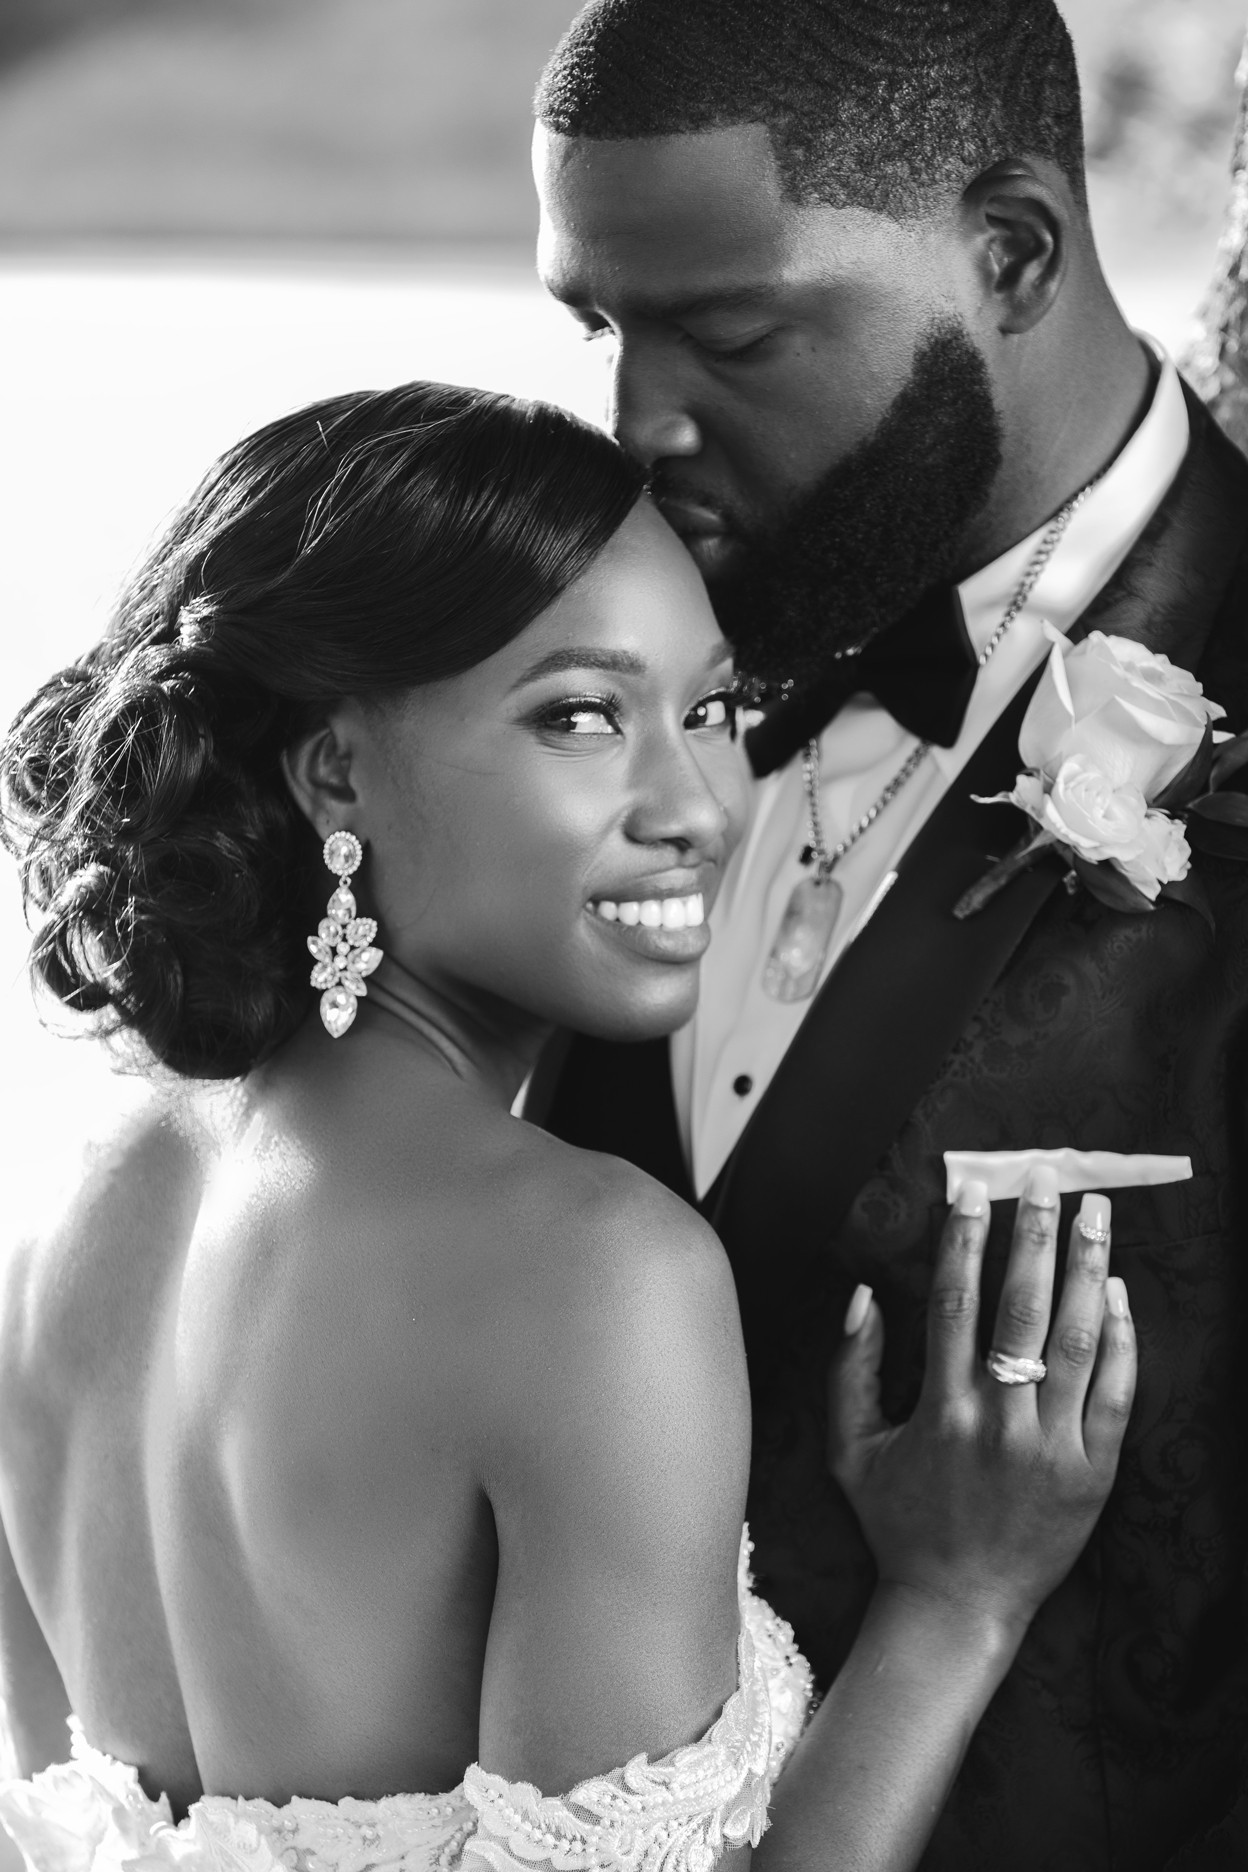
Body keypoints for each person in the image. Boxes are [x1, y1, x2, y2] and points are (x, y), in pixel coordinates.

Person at [0, 382, 1135, 1872]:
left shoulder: (58, 1245)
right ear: (333, 769)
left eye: (711, 711)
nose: (700, 807)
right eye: (583, 716)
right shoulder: (593, 1271)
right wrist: (957, 1604)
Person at [531, 1, 1248, 1865]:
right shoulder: (582, 650)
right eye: (600, 326)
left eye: (732, 333)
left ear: (1008, 252)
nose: (637, 424)